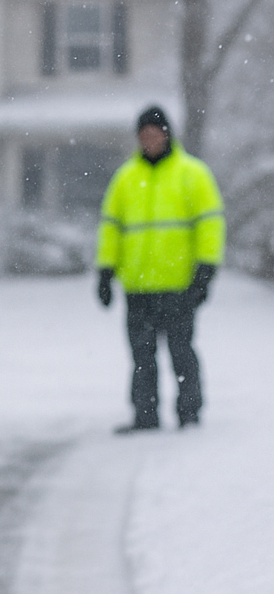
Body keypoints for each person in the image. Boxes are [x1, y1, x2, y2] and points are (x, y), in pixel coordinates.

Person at [97, 106, 224, 431]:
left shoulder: (192, 174)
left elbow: (210, 225)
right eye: (144, 135)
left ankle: (189, 413)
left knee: (181, 351)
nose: (149, 140)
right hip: (138, 285)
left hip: (178, 284)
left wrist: (206, 270)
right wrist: (105, 271)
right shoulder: (126, 178)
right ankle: (145, 415)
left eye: (154, 133)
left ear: (167, 134)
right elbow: (111, 228)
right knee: (142, 356)